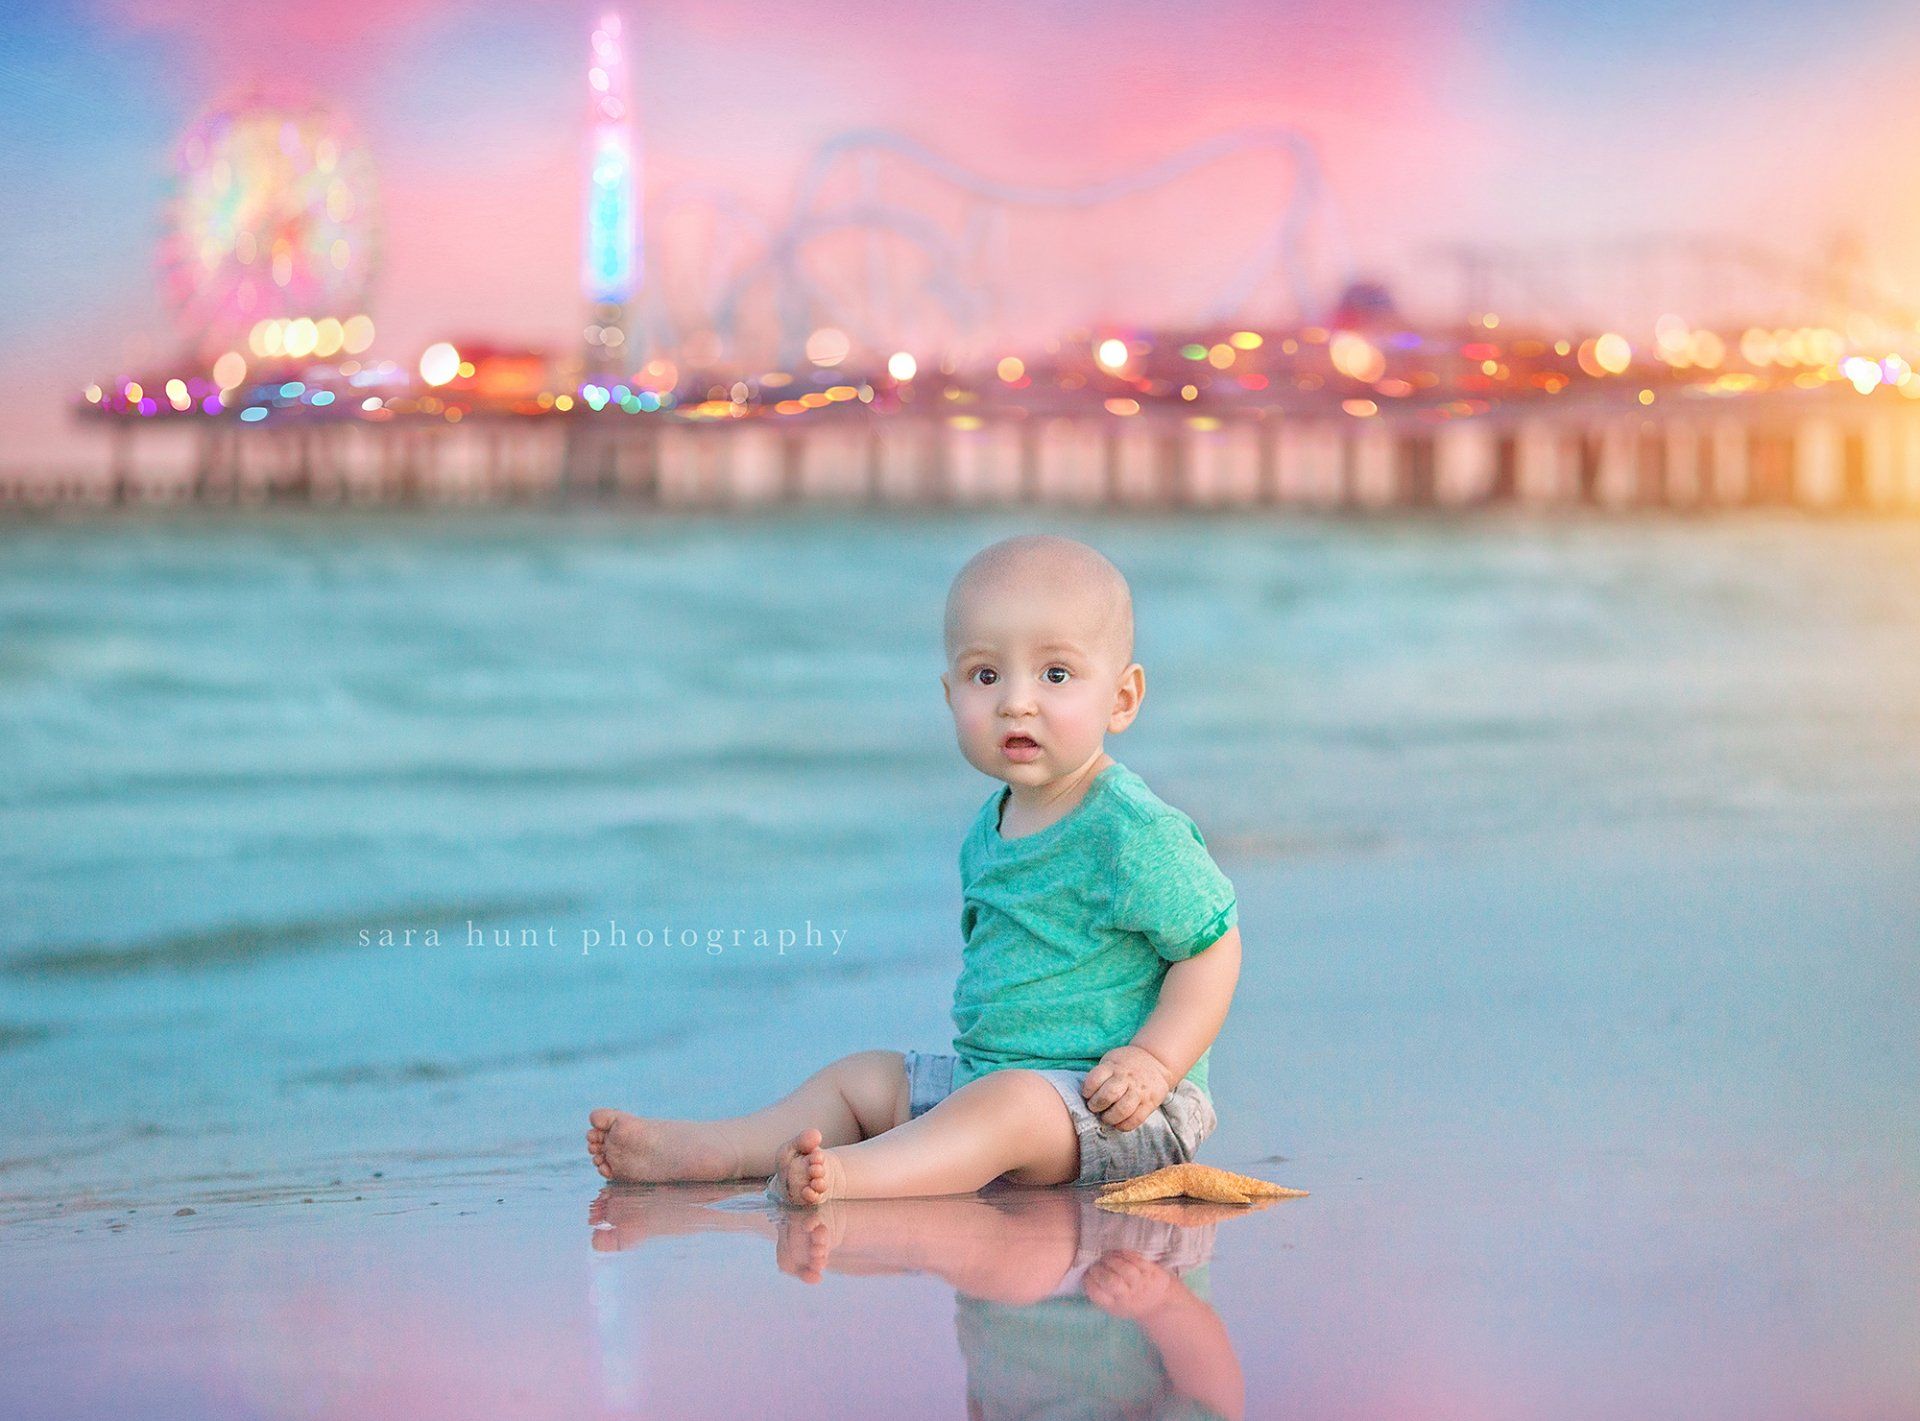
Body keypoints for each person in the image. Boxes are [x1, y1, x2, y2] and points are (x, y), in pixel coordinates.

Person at [586, 533, 1241, 1206]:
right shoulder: (989, 829)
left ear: (1123, 698)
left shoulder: (1130, 830)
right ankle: (727, 1148)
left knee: (1007, 1106)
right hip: (989, 1081)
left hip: (1119, 1109)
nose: (1017, 701)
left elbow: (1212, 946)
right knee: (863, 1078)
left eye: (1055, 674)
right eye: (986, 676)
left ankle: (852, 1175)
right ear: (950, 691)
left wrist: (1156, 1062)